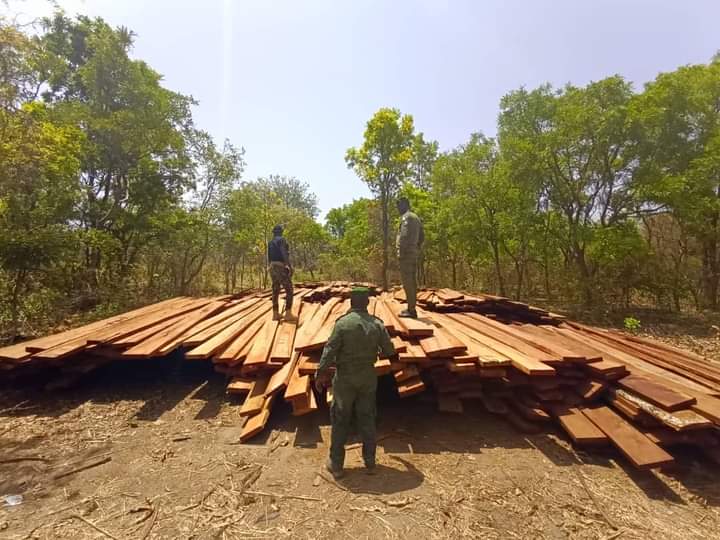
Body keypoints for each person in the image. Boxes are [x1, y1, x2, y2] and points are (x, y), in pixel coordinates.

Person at [315, 287, 396, 479]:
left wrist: (320, 373)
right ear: (367, 303)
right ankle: (370, 463)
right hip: (368, 377)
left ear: (351, 302)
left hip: (345, 379)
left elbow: (329, 350)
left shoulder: (342, 324)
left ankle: (336, 465)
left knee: (340, 418)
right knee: (367, 417)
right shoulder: (377, 324)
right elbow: (390, 350)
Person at [395, 197, 424, 318]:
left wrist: (401, 252)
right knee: (412, 281)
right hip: (413, 254)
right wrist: (416, 249)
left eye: (399, 206)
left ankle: (411, 310)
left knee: (408, 282)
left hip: (406, 255)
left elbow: (404, 236)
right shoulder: (416, 218)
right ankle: (411, 308)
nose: (398, 209)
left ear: (404, 205)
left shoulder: (406, 217)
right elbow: (422, 237)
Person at [267, 224, 295, 321]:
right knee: (289, 290)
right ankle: (288, 313)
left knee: (275, 290)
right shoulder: (282, 240)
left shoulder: (270, 242)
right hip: (279, 266)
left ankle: (275, 314)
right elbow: (283, 252)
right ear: (281, 232)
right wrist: (289, 266)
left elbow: (269, 256)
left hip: (272, 267)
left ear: (273, 233)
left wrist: (270, 267)